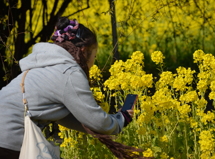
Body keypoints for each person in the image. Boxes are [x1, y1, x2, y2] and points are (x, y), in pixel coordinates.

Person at [0, 17, 134, 159]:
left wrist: (102, 124)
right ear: (84, 51)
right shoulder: (69, 72)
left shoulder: (45, 65)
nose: (93, 64)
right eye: (94, 57)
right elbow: (97, 121)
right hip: (9, 138)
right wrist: (121, 120)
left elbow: (64, 116)